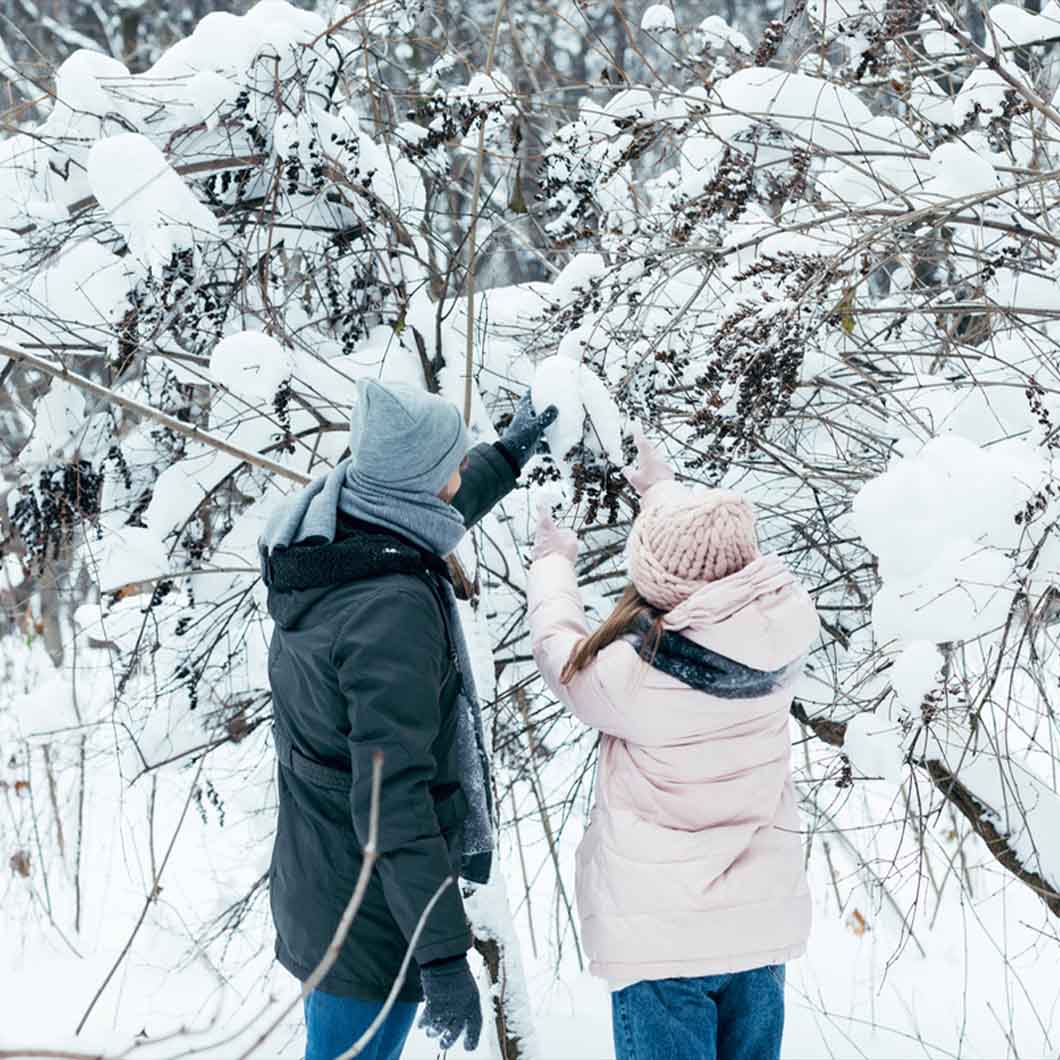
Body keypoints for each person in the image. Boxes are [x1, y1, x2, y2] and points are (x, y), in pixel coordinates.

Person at [258, 377, 557, 1060]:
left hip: (327, 883)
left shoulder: (336, 532)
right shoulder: (390, 613)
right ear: (420, 483)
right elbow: (392, 799)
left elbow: (433, 503)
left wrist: (506, 458)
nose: (458, 475)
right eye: (452, 463)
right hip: (365, 917)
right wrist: (445, 956)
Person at [527, 432, 820, 1060]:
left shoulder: (634, 675)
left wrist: (553, 564)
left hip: (663, 947)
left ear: (654, 580)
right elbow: (704, 565)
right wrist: (663, 491)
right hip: (756, 936)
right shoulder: (781, 638)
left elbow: (559, 651)